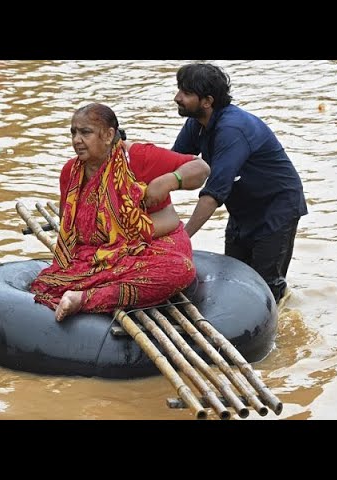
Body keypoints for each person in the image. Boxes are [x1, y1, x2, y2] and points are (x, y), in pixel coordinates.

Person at [30, 103, 210, 322]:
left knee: (178, 270)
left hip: (153, 247)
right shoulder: (71, 172)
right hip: (100, 253)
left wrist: (171, 180)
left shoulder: (138, 158)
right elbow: (68, 227)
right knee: (56, 277)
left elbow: (201, 168)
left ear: (108, 135)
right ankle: (93, 288)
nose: (77, 140)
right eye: (73, 132)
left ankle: (84, 299)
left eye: (85, 132)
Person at [171, 63, 308, 303]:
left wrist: (182, 238)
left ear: (207, 101)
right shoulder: (197, 124)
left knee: (266, 288)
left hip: (275, 211)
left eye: (185, 93)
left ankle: (280, 332)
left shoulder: (232, 129)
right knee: (234, 280)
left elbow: (213, 194)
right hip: (242, 211)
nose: (177, 97)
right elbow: (172, 164)